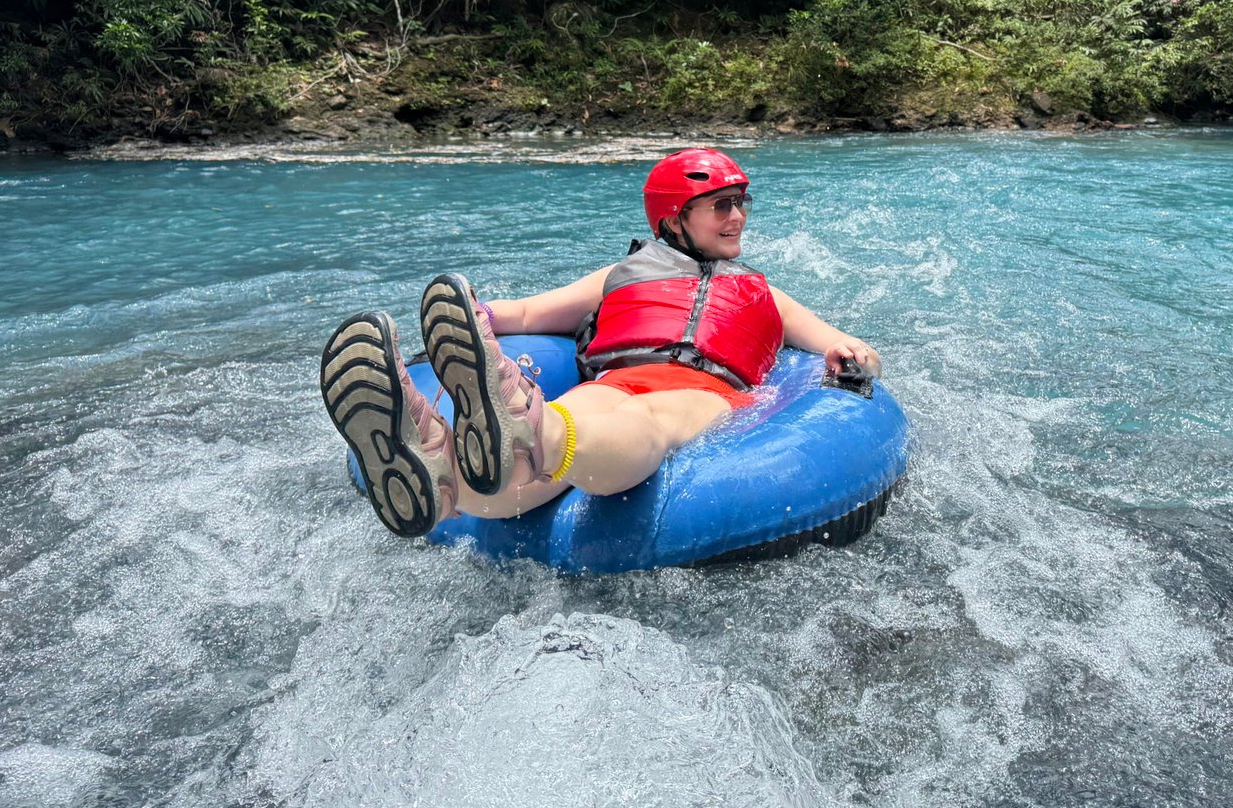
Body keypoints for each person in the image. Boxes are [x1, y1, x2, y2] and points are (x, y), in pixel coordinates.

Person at [320, 148, 882, 537]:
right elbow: (530, 312)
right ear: (675, 219)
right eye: (721, 206)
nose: (737, 216)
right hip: (616, 382)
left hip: (703, 389)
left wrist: (848, 357)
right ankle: (438, 472)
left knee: (609, 425)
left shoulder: (766, 295)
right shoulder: (622, 274)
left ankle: (454, 472)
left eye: (741, 203)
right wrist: (476, 317)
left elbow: (852, 348)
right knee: (582, 427)